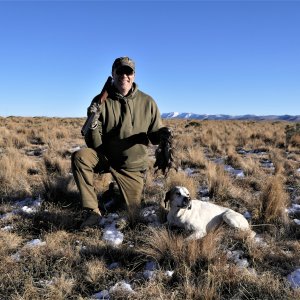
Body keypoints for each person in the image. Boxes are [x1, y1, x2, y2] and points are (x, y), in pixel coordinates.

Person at [72, 56, 172, 229]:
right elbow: (93, 144)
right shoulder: (100, 101)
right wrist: (94, 122)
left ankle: (116, 193)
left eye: (129, 72)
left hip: (132, 166)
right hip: (106, 157)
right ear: (113, 73)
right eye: (120, 71)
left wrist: (162, 134)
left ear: (134, 75)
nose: (124, 75)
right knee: (80, 157)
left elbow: (154, 137)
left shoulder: (148, 102)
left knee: (132, 212)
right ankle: (92, 211)